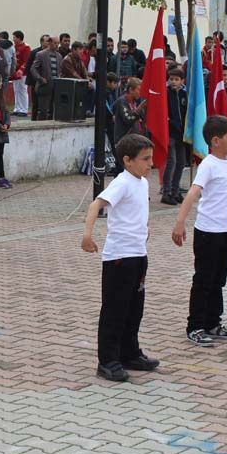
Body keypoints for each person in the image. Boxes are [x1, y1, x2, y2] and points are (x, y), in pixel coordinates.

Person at [81, 133, 161, 382]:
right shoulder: (122, 182)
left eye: (151, 158)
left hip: (138, 254)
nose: (150, 164)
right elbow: (95, 205)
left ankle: (129, 353)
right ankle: (108, 360)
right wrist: (87, 236)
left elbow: (137, 210)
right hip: (119, 258)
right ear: (127, 160)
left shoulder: (142, 182)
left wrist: (144, 227)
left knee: (134, 308)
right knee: (115, 310)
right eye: (145, 159)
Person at [171, 116, 227, 346]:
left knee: (218, 280)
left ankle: (213, 322)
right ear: (216, 141)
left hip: (225, 231)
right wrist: (180, 222)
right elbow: (193, 192)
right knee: (204, 280)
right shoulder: (207, 165)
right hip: (207, 232)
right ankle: (195, 326)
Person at [161, 68, 189, 205]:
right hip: (170, 132)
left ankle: (175, 190)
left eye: (176, 79)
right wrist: (171, 122)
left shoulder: (185, 94)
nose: (173, 82)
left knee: (181, 162)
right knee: (171, 161)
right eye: (171, 79)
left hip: (182, 134)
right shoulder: (166, 93)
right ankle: (166, 193)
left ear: (182, 81)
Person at [30, 36, 61, 119]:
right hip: (44, 86)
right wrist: (40, 79)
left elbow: (60, 70)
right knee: (43, 111)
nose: (57, 45)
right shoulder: (41, 54)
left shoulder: (59, 56)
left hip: (56, 86)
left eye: (58, 43)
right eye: (55, 43)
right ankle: (41, 125)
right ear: (50, 42)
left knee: (53, 111)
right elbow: (33, 69)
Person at [11, 30, 31, 116]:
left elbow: (26, 61)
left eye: (14, 37)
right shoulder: (14, 47)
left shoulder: (26, 47)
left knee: (23, 90)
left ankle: (24, 110)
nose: (13, 39)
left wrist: (21, 70)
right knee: (16, 90)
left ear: (19, 38)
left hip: (23, 73)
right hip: (15, 72)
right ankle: (17, 108)